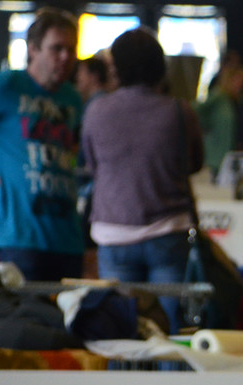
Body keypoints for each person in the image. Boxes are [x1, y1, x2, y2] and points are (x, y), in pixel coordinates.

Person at [81, 28, 204, 333]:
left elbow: (92, 165)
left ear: (116, 67)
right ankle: (170, 380)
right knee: (169, 329)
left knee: (122, 328)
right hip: (167, 230)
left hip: (113, 232)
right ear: (159, 65)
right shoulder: (178, 111)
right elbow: (194, 163)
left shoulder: (96, 111)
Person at [0, 8, 85, 281]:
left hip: (67, 236)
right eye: (56, 48)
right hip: (20, 236)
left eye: (71, 50)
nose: (65, 57)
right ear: (33, 49)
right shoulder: (8, 85)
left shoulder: (73, 99)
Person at [197, 62, 243, 178]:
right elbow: (195, 110)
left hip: (229, 157)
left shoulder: (237, 102)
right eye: (237, 80)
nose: (240, 85)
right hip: (216, 158)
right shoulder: (218, 97)